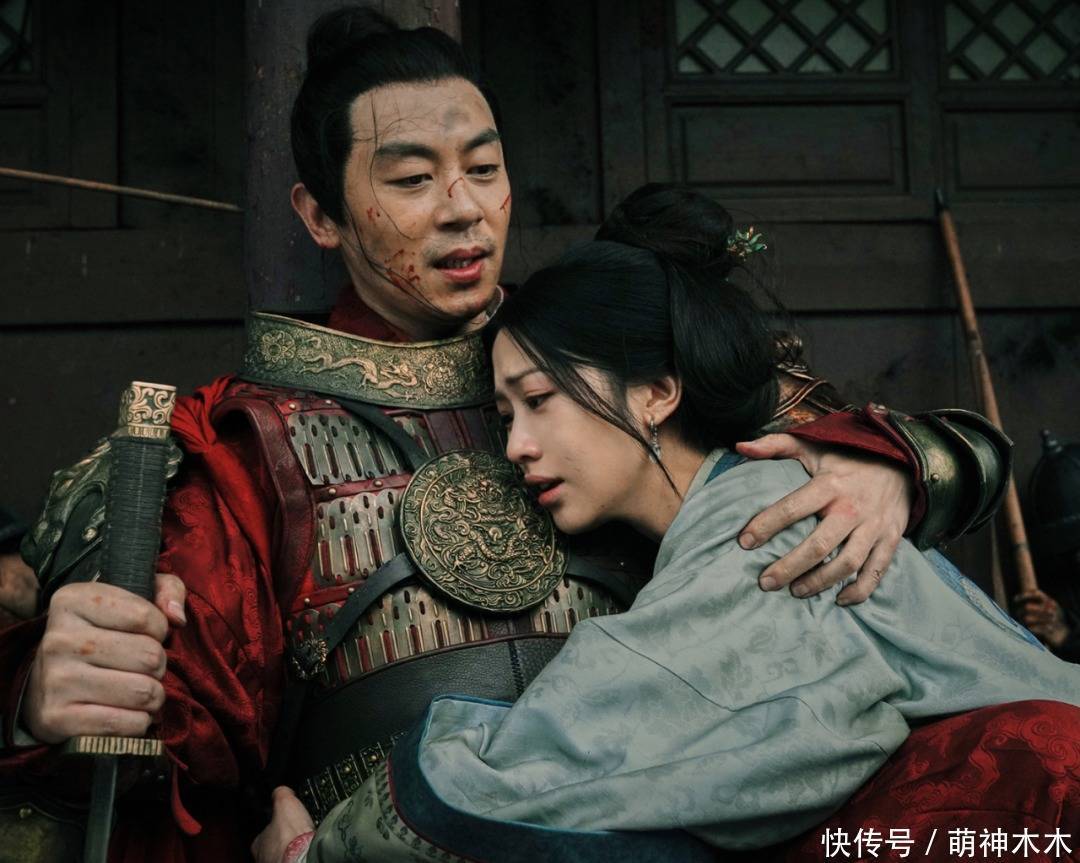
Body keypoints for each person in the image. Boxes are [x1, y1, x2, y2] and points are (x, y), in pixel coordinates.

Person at [0, 8, 1011, 862]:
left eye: (483, 168)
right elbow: (168, 758)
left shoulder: (611, 358)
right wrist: (53, 703)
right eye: (411, 180)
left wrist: (887, 470)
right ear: (320, 214)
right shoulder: (244, 448)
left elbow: (954, 464)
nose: (465, 210)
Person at [255, 184, 1080, 863]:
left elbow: (560, 752)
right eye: (504, 415)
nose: (516, 446)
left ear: (656, 390)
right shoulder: (758, 496)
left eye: (538, 400)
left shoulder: (763, 527)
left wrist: (316, 852)